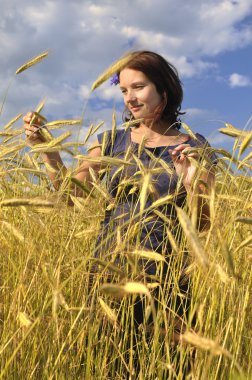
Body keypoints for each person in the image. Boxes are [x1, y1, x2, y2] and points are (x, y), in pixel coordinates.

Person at [23, 50, 217, 376]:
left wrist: (190, 181)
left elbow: (206, 224)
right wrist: (48, 151)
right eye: (124, 90)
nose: (130, 98)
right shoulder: (111, 141)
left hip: (169, 282)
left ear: (163, 90)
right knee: (112, 366)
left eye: (138, 87)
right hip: (109, 275)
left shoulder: (195, 147)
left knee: (172, 368)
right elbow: (70, 197)